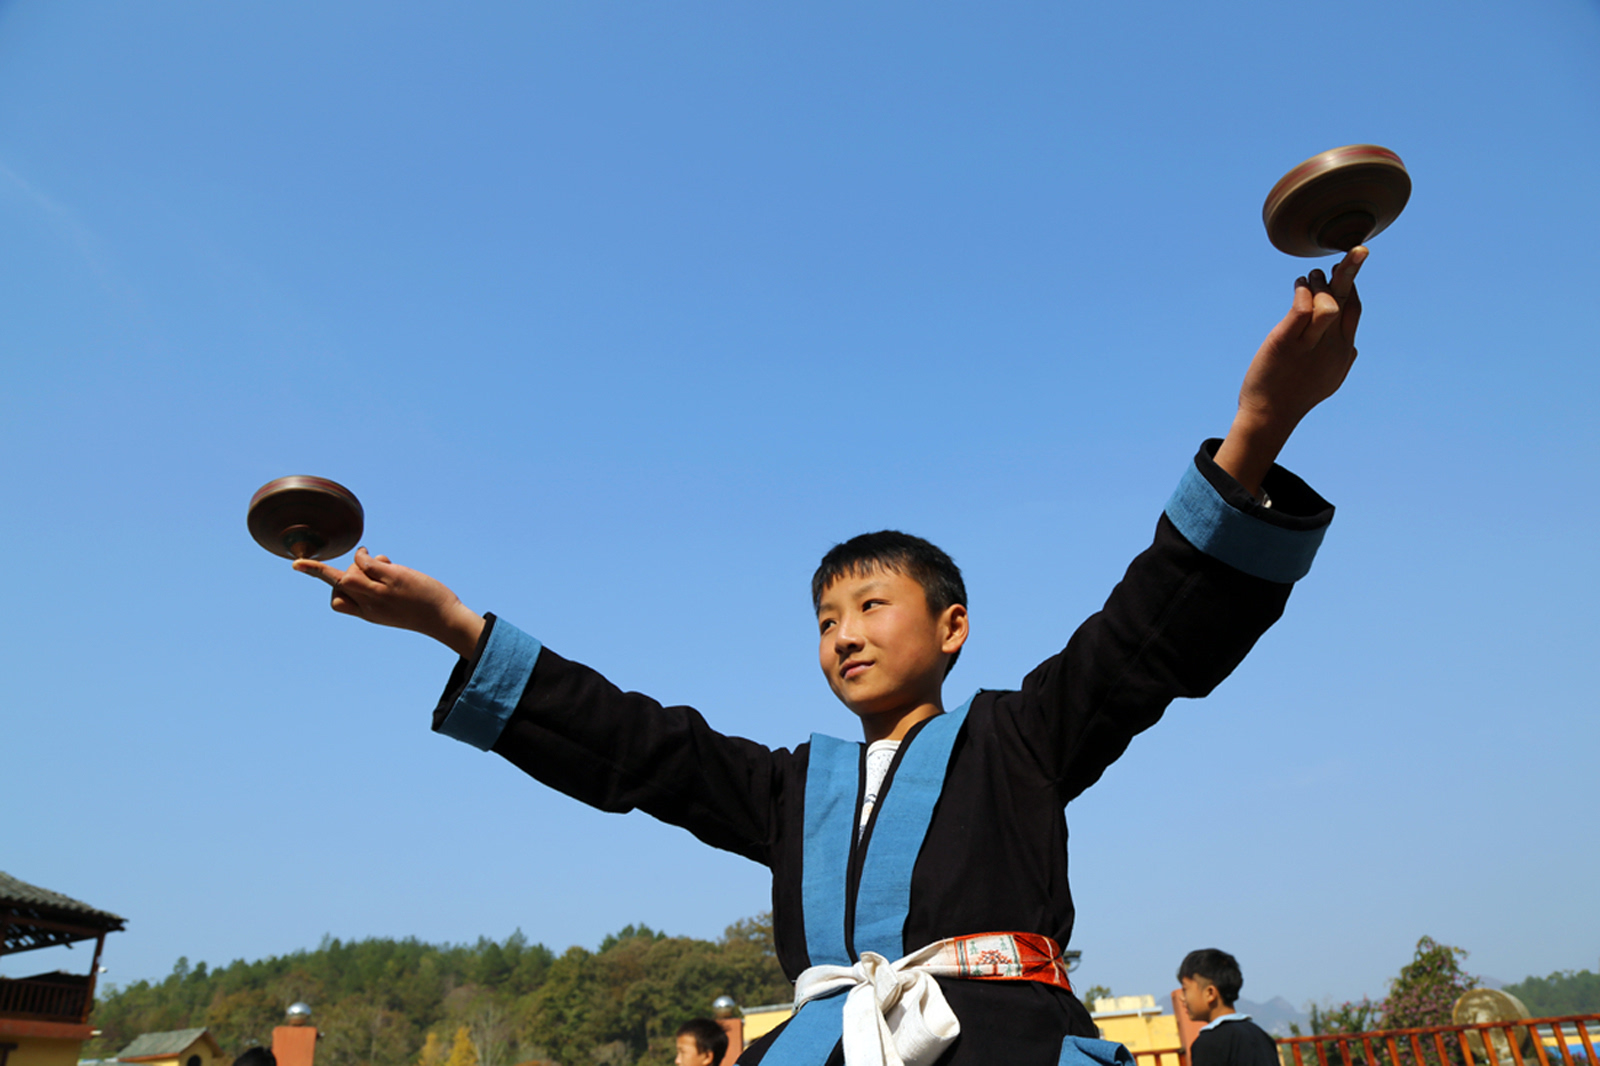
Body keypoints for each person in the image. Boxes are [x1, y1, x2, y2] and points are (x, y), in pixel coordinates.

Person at [295, 249, 1368, 1066]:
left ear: (952, 625)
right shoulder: (787, 789)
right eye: (822, 618)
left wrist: (1259, 427)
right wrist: (451, 625)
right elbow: (631, 745)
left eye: (869, 604)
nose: (843, 633)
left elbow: (1149, 633)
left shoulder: (1021, 736)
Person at [1177, 949, 1281, 1066]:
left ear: (1210, 993)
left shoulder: (1209, 1043)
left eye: (1185, 990)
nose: (1182, 997)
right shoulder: (1260, 1035)